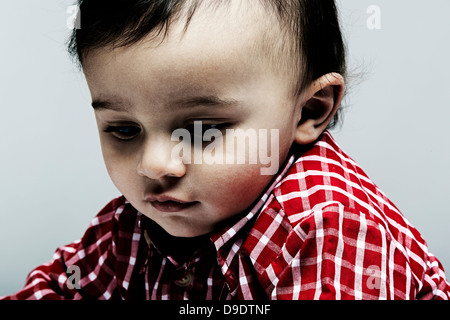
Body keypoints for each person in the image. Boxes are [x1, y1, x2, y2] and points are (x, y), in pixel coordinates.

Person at [2, 0, 449, 300]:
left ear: (310, 110)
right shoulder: (137, 222)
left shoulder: (330, 228)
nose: (154, 164)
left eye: (203, 129)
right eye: (123, 129)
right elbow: (59, 286)